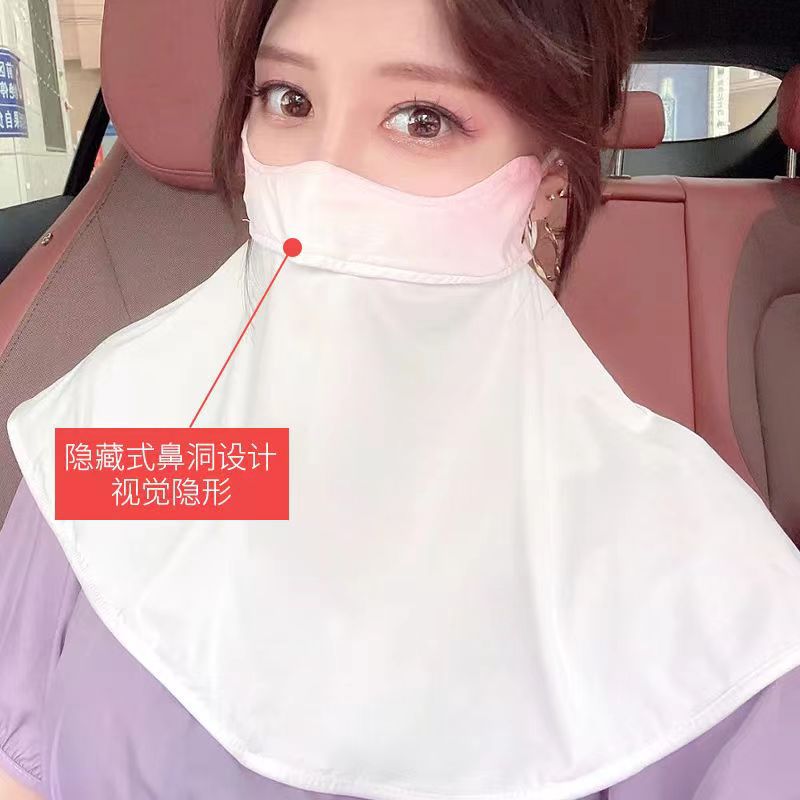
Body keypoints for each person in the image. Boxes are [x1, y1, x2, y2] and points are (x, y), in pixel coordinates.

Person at [2, 1, 800, 799]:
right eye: (289, 100)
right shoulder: (131, 438)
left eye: (423, 120)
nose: (322, 178)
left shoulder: (699, 587)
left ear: (547, 181)